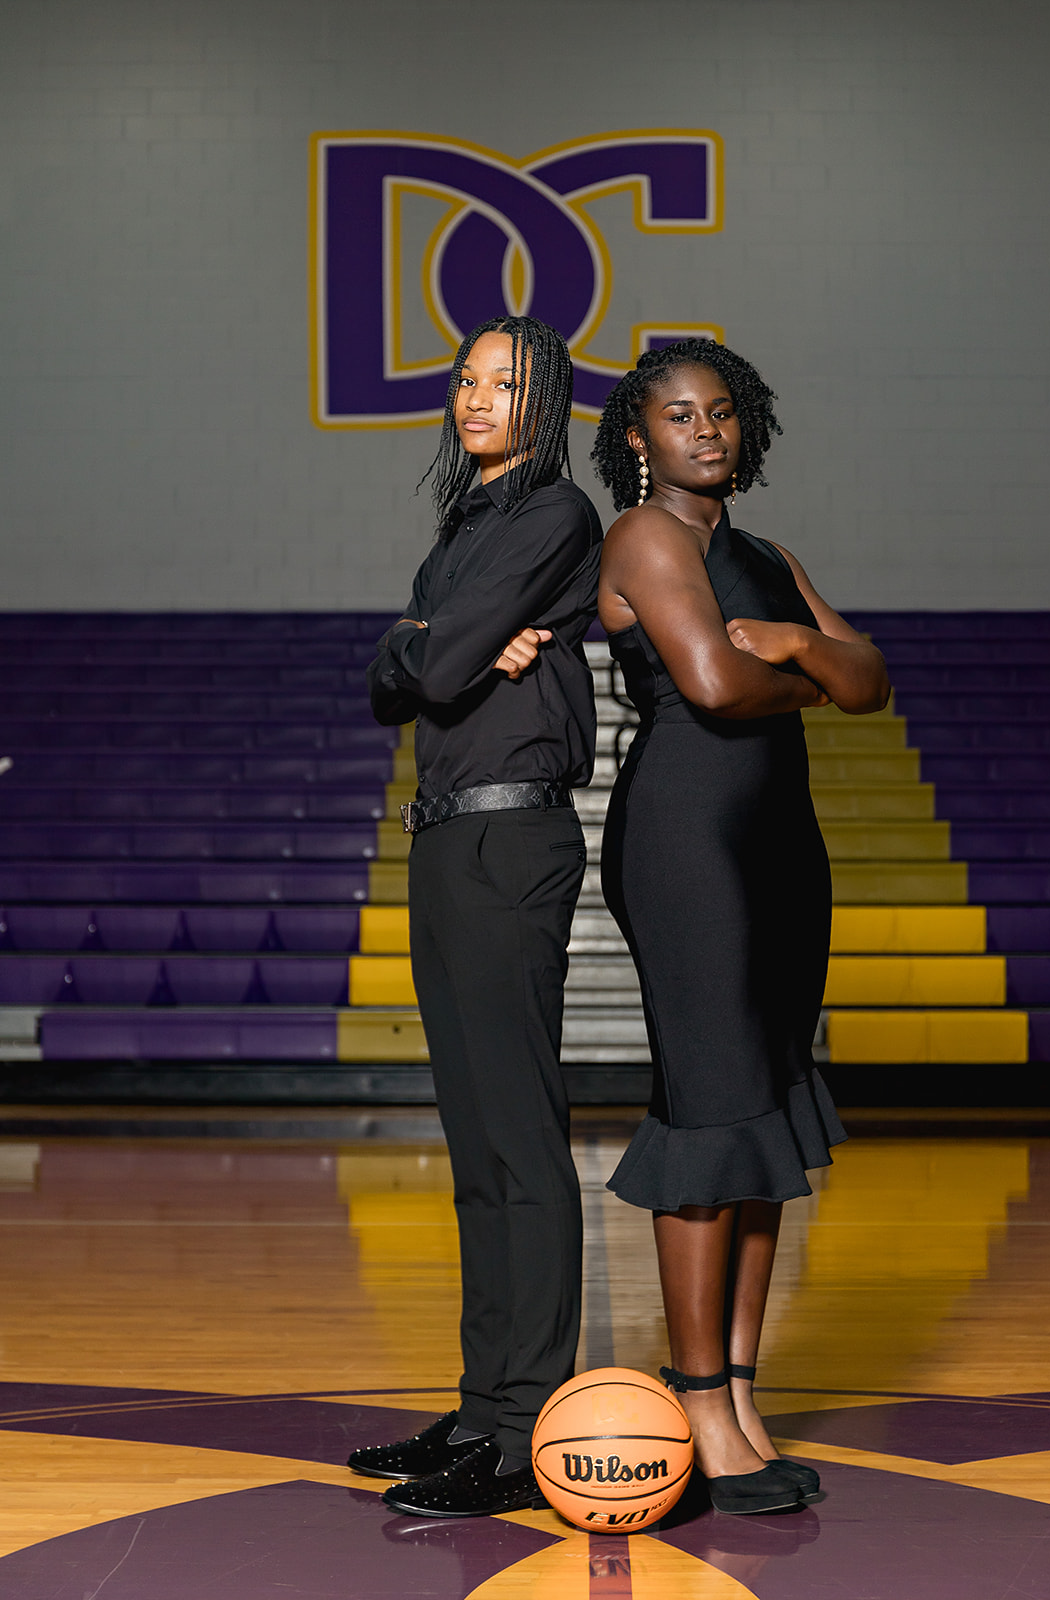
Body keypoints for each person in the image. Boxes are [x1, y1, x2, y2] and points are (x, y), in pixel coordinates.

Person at [590, 340, 890, 1516]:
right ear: (639, 435)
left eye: (720, 413)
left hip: (782, 849)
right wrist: (806, 672)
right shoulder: (644, 538)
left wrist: (805, 649)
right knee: (713, 1116)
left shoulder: (767, 555)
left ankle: (742, 1394)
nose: (704, 431)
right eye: (679, 414)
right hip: (685, 843)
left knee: (762, 1124)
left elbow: (871, 679)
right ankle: (697, 1399)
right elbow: (712, 685)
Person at [350, 316, 603, 1518]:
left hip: (511, 834)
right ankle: (479, 1401)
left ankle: (522, 1429)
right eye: (465, 379)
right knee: (471, 1148)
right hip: (445, 833)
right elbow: (393, 675)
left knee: (520, 1137)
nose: (477, 397)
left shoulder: (558, 515)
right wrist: (428, 647)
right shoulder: (465, 527)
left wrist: (430, 652)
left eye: (505, 383)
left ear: (545, 399)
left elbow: (431, 672)